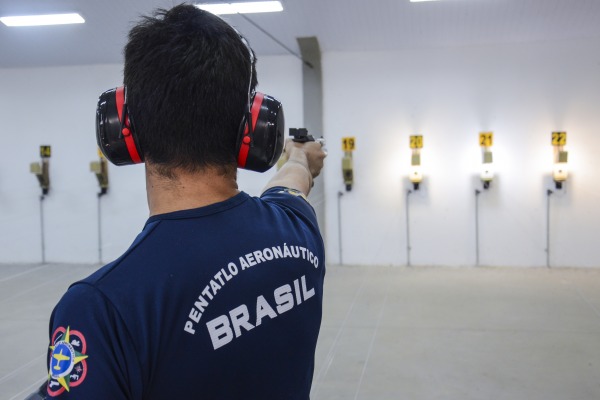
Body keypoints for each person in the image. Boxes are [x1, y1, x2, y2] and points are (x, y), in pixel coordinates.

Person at [39, 4, 326, 399]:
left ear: (124, 127)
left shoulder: (102, 308)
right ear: (253, 130)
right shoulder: (299, 230)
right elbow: (294, 180)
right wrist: (300, 155)